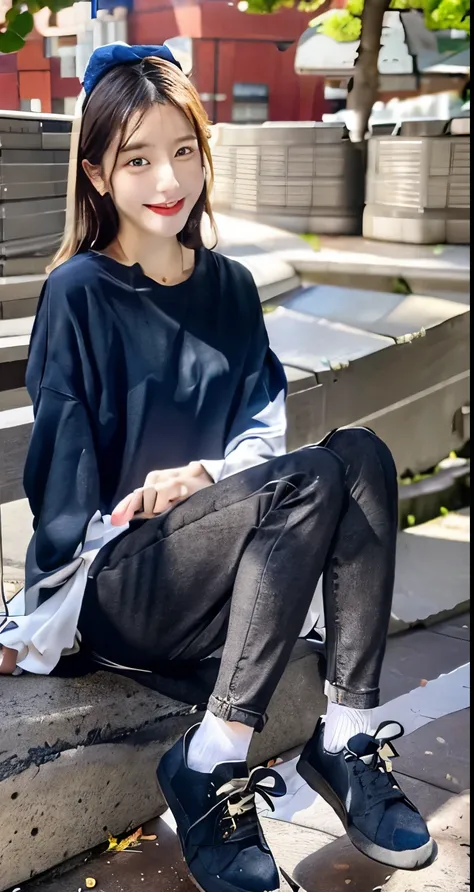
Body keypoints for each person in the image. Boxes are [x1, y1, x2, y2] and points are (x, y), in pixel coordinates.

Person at [0, 43, 435, 892]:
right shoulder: (78, 293)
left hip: (224, 569)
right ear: (96, 176)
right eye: (137, 158)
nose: (169, 177)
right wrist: (30, 625)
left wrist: (202, 480)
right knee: (311, 475)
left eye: (184, 150)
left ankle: (346, 737)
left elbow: (261, 432)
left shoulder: (231, 288)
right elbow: (59, 480)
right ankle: (211, 760)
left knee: (360, 456)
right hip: (122, 582)